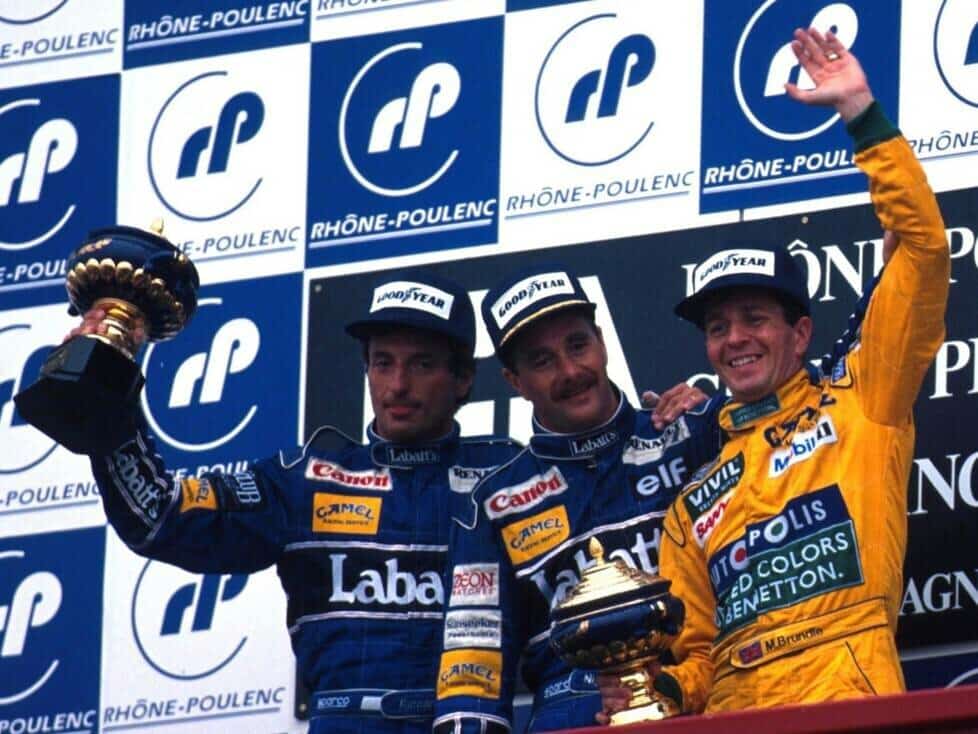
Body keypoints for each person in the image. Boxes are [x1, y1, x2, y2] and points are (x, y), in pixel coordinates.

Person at [599, 27, 950, 718]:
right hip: (737, 715)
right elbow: (697, 658)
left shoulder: (863, 401)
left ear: (800, 334)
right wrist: (658, 691)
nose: (736, 339)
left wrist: (861, 114)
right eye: (718, 327)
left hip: (848, 699)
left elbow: (923, 246)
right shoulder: (689, 507)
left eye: (755, 318)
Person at [75, 270, 521, 733]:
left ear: (464, 378)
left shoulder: (507, 477)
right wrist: (107, 392)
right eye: (382, 363)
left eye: (422, 365)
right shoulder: (303, 480)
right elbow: (158, 516)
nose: (398, 385)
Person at [432, 265, 725, 733]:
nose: (570, 371)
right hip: (570, 709)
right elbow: (473, 668)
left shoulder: (688, 434)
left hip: (704, 694)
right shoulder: (494, 504)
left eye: (577, 345)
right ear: (514, 380)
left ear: (602, 342)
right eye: (542, 361)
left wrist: (714, 413)